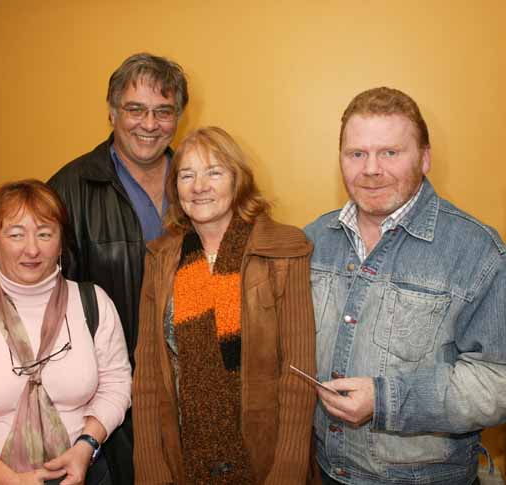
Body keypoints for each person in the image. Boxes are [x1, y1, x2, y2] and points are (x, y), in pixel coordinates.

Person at [304, 87, 506, 485]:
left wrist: (386, 400)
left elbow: (498, 381)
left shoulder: (477, 252)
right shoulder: (313, 240)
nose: (371, 169)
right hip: (323, 470)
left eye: (390, 153)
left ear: (425, 158)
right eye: (356, 154)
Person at [133, 126, 317, 484]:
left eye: (214, 172)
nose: (199, 186)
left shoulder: (284, 249)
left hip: (266, 459)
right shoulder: (160, 257)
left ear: (238, 180)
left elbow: (298, 373)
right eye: (187, 175)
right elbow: (148, 377)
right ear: (175, 189)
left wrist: (289, 469)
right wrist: (150, 467)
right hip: (182, 459)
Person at [0, 180, 132, 485]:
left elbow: (117, 385)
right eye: (16, 234)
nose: (32, 249)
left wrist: (86, 446)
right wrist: (9, 482)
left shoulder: (94, 303)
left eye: (45, 234)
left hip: (85, 474)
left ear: (61, 243)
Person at [48, 53, 188, 484]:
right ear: (111, 112)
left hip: (189, 385)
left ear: (178, 117)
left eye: (163, 111)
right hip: (111, 394)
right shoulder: (70, 188)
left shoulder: (198, 180)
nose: (150, 123)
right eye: (135, 109)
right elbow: (48, 302)